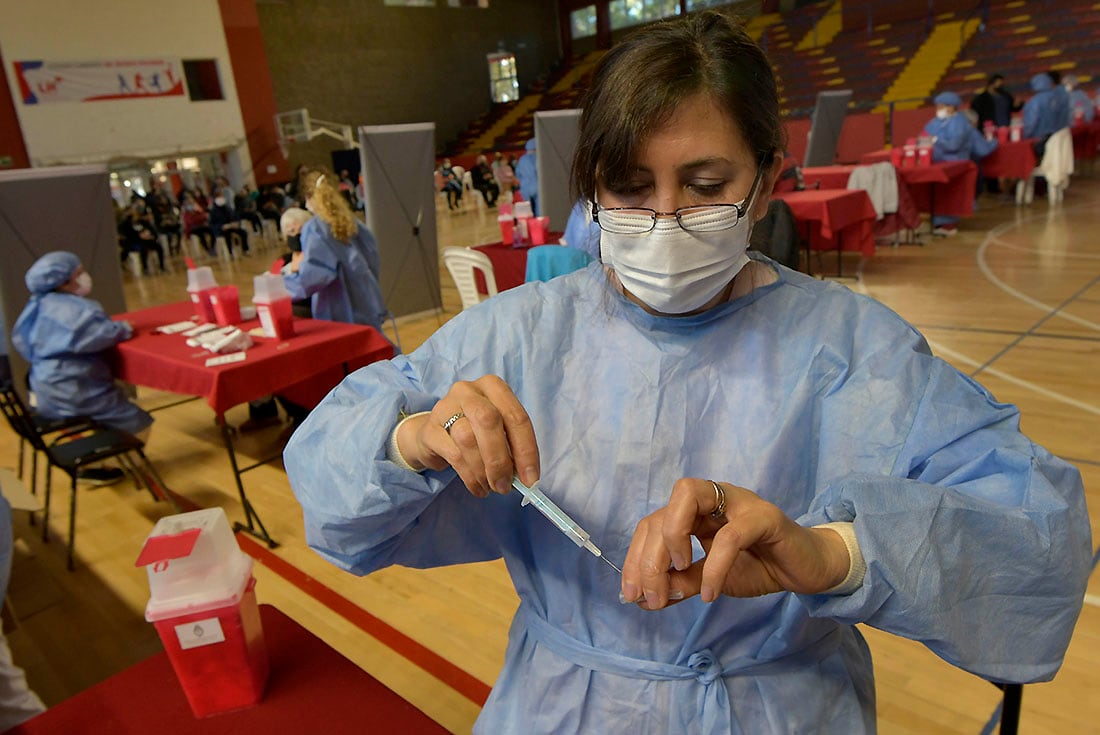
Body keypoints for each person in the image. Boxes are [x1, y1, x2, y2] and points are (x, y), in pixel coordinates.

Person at [284, 12, 1090, 733]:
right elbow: (329, 487)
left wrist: (836, 551)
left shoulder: (852, 351)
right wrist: (413, 438)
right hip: (565, 704)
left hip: (784, 709)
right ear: (590, 188)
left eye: (707, 187)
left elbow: (1040, 543)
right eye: (629, 189)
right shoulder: (520, 335)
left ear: (767, 179)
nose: (665, 220)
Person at [12, 252, 152, 484]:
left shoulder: (37, 305)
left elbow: (23, 342)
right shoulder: (75, 310)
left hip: (46, 385)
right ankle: (103, 464)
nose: (84, 277)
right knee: (136, 421)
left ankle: (101, 461)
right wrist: (124, 328)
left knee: (103, 417)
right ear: (65, 281)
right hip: (75, 385)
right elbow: (100, 334)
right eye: (79, 273)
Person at [283, 170, 391, 334]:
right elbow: (373, 259)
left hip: (338, 308)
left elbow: (314, 277)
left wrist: (284, 285)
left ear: (309, 197)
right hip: (366, 300)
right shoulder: (352, 222)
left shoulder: (316, 228)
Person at [922, 91, 997, 236]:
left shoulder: (960, 123)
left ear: (952, 107)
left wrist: (937, 141)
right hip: (934, 163)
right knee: (936, 193)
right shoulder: (934, 123)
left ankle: (948, 223)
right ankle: (936, 220)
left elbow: (954, 145)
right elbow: (923, 137)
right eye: (938, 106)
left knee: (951, 193)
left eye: (942, 106)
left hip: (954, 165)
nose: (939, 109)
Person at [1022, 72, 1067, 160]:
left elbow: (1031, 123)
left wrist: (1025, 137)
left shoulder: (1035, 102)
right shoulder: (1060, 98)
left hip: (1041, 140)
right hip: (1059, 138)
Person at [513, 137, 539, 215]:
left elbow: (518, 175)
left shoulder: (522, 159)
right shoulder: (540, 157)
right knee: (540, 210)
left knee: (527, 211)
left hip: (525, 188)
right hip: (539, 187)